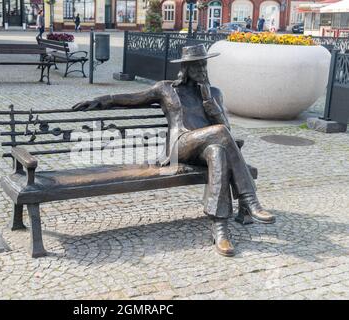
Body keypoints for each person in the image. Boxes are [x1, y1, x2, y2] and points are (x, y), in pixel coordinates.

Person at [72, 45, 276, 257]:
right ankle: (249, 199)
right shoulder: (166, 89)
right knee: (221, 134)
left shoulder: (214, 92)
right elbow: (133, 98)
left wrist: (208, 101)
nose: (202, 69)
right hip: (181, 146)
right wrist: (101, 100)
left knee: (218, 151)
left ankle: (220, 229)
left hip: (206, 148)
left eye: (204, 64)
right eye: (197, 65)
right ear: (186, 68)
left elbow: (225, 127)